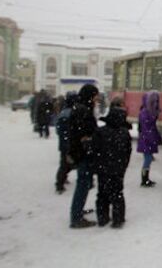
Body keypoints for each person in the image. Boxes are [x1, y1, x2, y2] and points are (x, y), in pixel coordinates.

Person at [89, 106, 132, 228]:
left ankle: (102, 218)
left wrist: (96, 166)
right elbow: (128, 152)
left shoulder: (100, 132)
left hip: (103, 169)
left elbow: (94, 150)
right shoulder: (124, 133)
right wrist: (123, 165)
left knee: (102, 193)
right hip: (118, 169)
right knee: (117, 193)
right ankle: (118, 219)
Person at [67, 84, 100, 228]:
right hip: (83, 154)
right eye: (95, 96)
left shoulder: (80, 108)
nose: (96, 99)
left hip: (80, 152)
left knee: (85, 183)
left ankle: (78, 210)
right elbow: (85, 135)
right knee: (83, 184)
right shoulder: (83, 111)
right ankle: (76, 217)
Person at [54, 91, 77, 194]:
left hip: (65, 143)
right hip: (68, 143)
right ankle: (59, 184)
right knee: (65, 164)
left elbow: (59, 130)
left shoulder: (64, 112)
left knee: (66, 163)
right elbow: (64, 131)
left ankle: (61, 180)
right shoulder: (70, 113)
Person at [137, 91, 161, 187]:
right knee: (148, 159)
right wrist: (154, 138)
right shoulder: (146, 113)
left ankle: (145, 178)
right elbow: (148, 128)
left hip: (146, 139)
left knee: (148, 159)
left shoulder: (146, 112)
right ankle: (144, 179)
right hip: (147, 140)